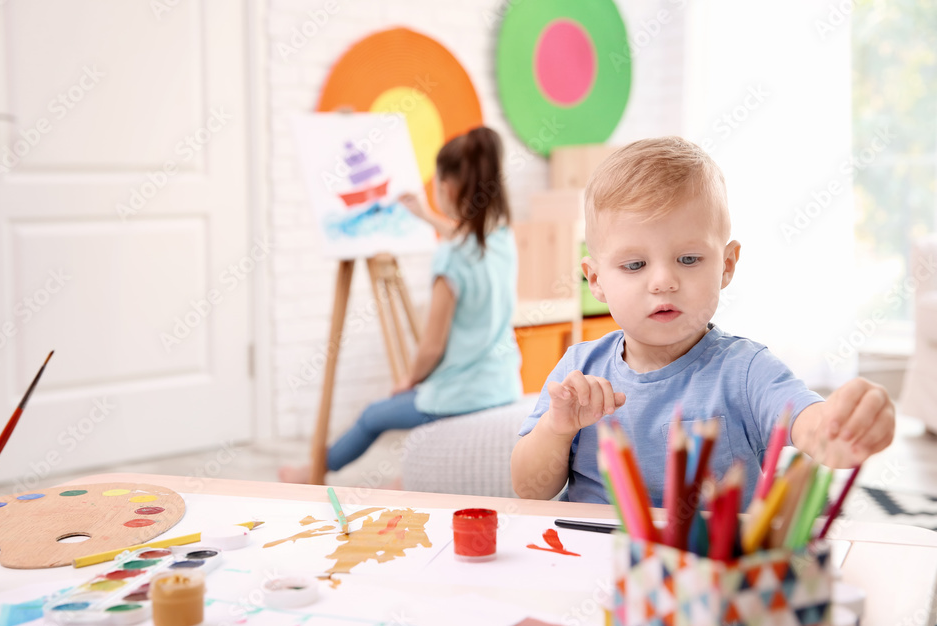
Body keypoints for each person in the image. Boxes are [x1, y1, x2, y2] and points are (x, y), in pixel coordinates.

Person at [511, 136, 895, 505]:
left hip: (708, 567)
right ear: (595, 280)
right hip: (591, 559)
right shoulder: (578, 370)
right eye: (635, 265)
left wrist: (844, 426)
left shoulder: (747, 371)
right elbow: (530, 491)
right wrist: (556, 429)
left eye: (689, 259)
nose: (663, 281)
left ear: (726, 265)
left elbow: (815, 429)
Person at [281, 126, 522, 484]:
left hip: (460, 396)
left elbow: (432, 347)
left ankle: (314, 472)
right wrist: (425, 216)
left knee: (372, 415)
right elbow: (466, 238)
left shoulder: (450, 260)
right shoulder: (502, 239)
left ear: (448, 188)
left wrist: (409, 379)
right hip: (503, 384)